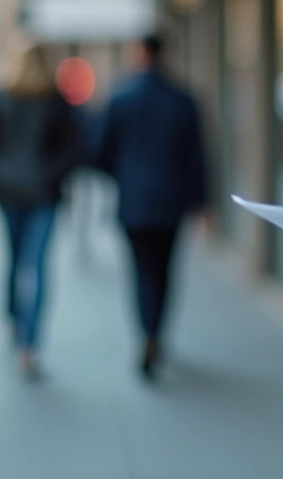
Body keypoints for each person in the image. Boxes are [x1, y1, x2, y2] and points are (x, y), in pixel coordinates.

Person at [95, 34, 207, 380]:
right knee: (164, 271)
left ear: (139, 53)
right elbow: (197, 158)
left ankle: (147, 334)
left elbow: (99, 151)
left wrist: (123, 176)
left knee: (141, 271)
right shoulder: (183, 99)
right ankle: (157, 333)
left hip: (134, 201)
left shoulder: (120, 97)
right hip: (171, 202)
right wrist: (201, 202)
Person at [0, 43, 79, 380]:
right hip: (43, 194)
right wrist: (47, 176)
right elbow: (70, 150)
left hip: (11, 194)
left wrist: (1, 177)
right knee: (35, 266)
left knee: (14, 258)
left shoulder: (0, 96)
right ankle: (29, 342)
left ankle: (12, 319)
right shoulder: (54, 100)